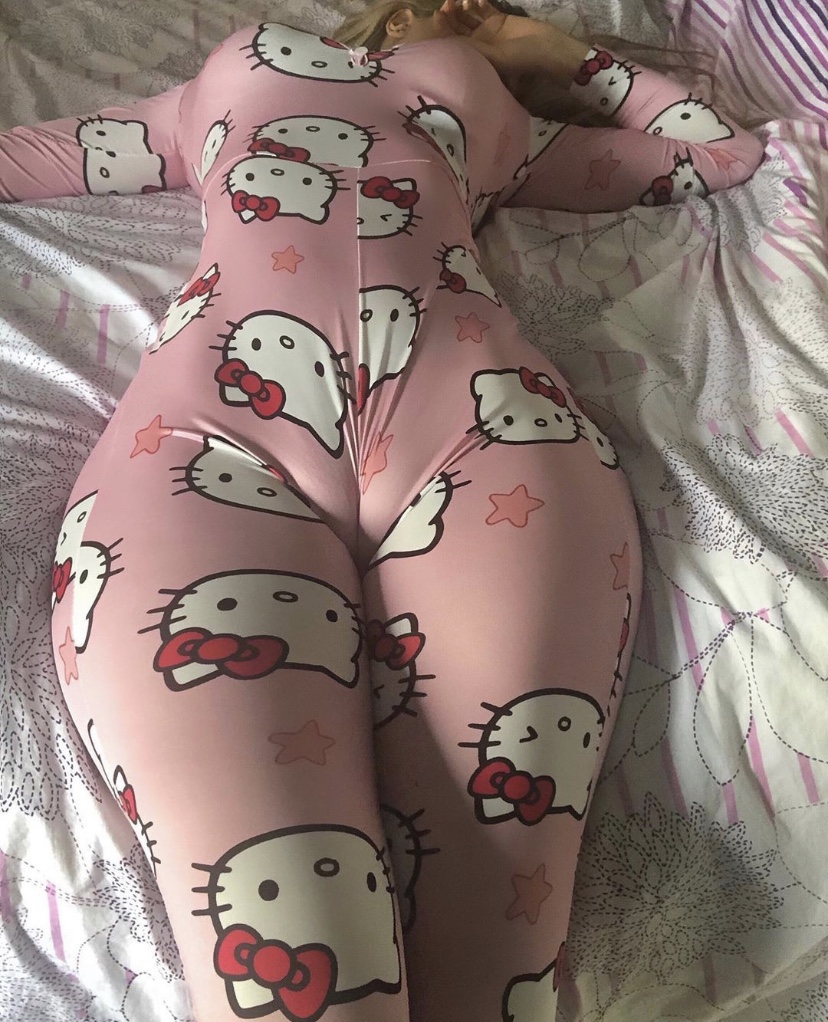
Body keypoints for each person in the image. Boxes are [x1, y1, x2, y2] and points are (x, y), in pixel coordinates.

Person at [0, 0, 763, 1018]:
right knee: (294, 957)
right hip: (210, 440)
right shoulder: (218, 83)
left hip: (491, 439)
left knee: (492, 971)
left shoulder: (511, 128)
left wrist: (558, 55)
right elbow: (26, 157)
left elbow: (719, 154)